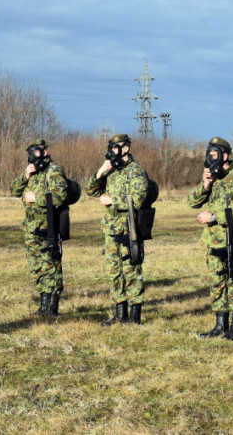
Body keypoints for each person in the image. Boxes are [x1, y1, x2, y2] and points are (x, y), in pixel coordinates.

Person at [187, 137, 233, 340]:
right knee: (216, 282)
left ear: (225, 155)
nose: (210, 158)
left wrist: (214, 217)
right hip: (213, 241)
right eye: (209, 154)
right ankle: (220, 324)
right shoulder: (213, 180)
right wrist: (205, 184)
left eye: (214, 154)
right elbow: (193, 201)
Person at [85, 134, 149, 326]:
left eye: (116, 148)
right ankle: (120, 314)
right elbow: (90, 191)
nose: (112, 152)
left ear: (126, 148)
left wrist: (114, 201)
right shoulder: (111, 171)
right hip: (111, 229)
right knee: (114, 271)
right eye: (111, 148)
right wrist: (101, 171)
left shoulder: (135, 171)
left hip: (129, 228)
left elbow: (138, 200)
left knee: (131, 271)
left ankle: (135, 316)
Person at [10, 139, 68, 317]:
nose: (33, 156)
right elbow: (13, 190)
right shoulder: (32, 172)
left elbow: (60, 196)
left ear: (45, 151)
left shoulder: (53, 171)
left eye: (36, 152)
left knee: (50, 266)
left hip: (48, 226)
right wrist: (25, 175)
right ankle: (43, 304)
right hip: (31, 227)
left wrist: (38, 199)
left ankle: (52, 306)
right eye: (31, 152)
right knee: (36, 267)